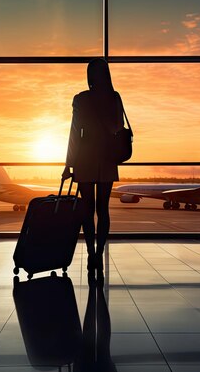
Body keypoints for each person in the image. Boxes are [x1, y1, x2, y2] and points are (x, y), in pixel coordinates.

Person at [63, 58, 124, 273]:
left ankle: (90, 254)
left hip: (85, 159)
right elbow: (119, 127)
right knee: (103, 210)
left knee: (87, 211)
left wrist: (68, 164)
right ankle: (99, 253)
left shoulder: (81, 99)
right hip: (107, 158)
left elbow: (74, 133)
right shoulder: (114, 98)